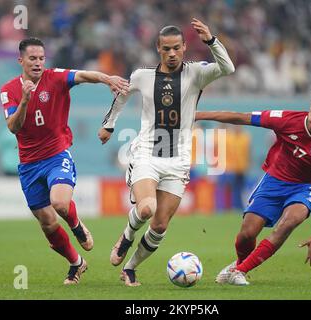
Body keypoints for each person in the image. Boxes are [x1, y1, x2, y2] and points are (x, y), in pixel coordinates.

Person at [98, 18, 235, 286]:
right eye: (166, 49)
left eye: (176, 48)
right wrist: (109, 125)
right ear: (158, 49)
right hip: (147, 153)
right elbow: (122, 95)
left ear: (185, 47)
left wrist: (211, 40)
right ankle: (126, 236)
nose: (171, 54)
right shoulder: (142, 76)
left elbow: (227, 68)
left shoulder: (197, 73)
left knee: (160, 226)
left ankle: (130, 268)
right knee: (147, 208)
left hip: (179, 159)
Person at [0, 37, 129, 285]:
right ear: (21, 61)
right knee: (47, 224)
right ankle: (76, 263)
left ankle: (76, 224)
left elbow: (83, 75)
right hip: (28, 165)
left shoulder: (55, 78)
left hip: (57, 155)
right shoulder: (9, 90)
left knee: (59, 203)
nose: (38, 63)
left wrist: (107, 79)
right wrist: (25, 100)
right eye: (32, 58)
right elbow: (13, 127)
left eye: (41, 58)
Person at [195, 85, 311, 285]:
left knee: (289, 222)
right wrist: (197, 115)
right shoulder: (287, 120)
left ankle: (240, 270)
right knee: (247, 234)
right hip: (274, 180)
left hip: (306, 187)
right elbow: (241, 117)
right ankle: (239, 264)